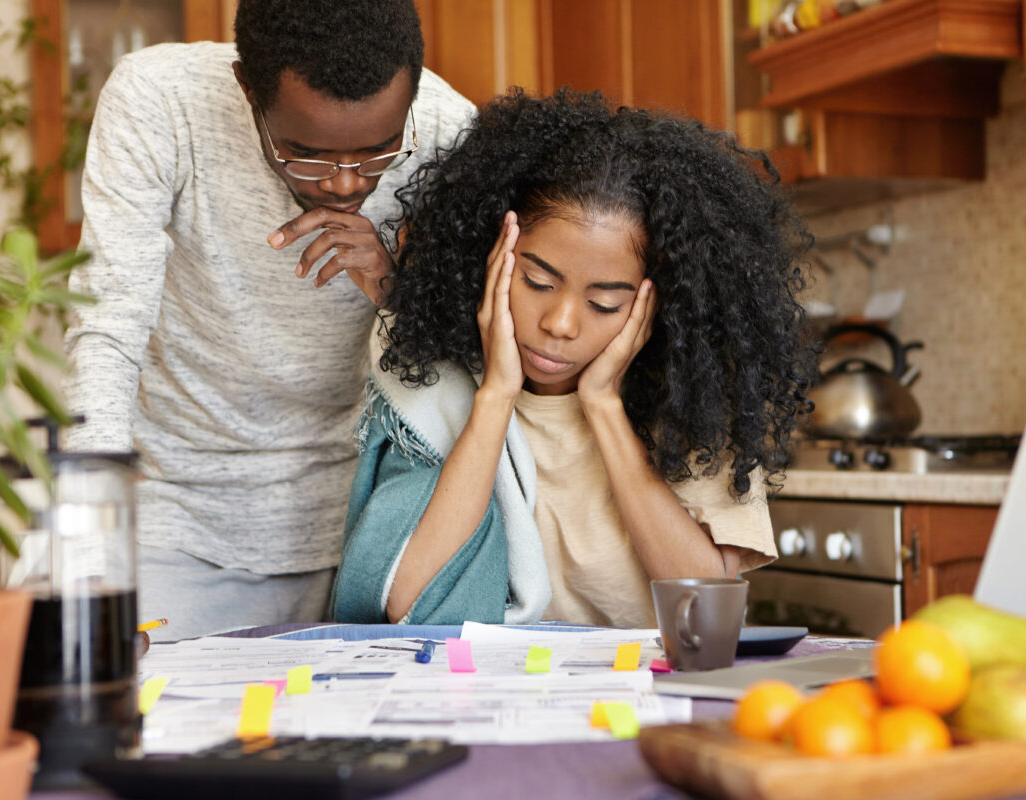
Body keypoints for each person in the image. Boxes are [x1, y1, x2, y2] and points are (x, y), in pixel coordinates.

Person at [61, 0, 475, 640]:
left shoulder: (449, 132)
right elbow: (106, 325)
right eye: (305, 154)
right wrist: (88, 546)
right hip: (181, 519)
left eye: (377, 153)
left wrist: (394, 286)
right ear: (247, 89)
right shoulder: (161, 101)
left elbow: (471, 360)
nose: (343, 184)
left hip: (369, 529)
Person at [332, 89, 817, 628]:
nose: (560, 324)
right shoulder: (442, 389)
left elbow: (703, 616)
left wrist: (604, 407)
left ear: (659, 302)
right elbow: (408, 600)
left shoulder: (692, 410)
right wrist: (495, 396)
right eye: (537, 282)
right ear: (493, 259)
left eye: (605, 303)